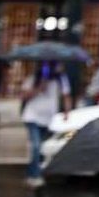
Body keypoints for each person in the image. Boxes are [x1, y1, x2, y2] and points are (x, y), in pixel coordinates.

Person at [20, 61, 70, 189]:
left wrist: (67, 112)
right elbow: (24, 96)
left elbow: (66, 95)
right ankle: (35, 176)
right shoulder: (33, 78)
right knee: (36, 146)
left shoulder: (61, 79)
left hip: (48, 119)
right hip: (32, 117)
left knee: (42, 149)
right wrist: (38, 88)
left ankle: (32, 173)